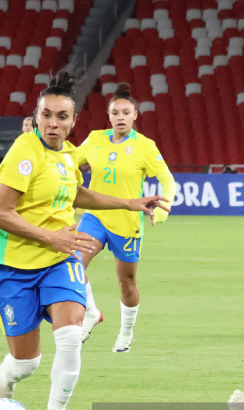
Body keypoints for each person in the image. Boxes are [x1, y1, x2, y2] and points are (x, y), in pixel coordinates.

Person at [0, 70, 169, 410]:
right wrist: (50, 237)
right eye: (47, 115)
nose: (53, 123)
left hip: (58, 260)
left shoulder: (69, 156)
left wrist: (129, 202)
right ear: (36, 117)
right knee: (26, 363)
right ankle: (3, 391)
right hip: (15, 267)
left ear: (74, 121)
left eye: (62, 116)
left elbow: (79, 195)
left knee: (70, 336)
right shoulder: (25, 152)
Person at [74, 82, 175, 353]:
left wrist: (163, 210)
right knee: (73, 263)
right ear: (109, 116)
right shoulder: (94, 139)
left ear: (134, 116)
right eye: (115, 112)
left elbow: (166, 179)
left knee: (126, 282)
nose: (120, 117)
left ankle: (126, 331)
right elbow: (70, 160)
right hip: (95, 216)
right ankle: (91, 313)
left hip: (127, 223)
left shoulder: (145, 146)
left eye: (126, 112)